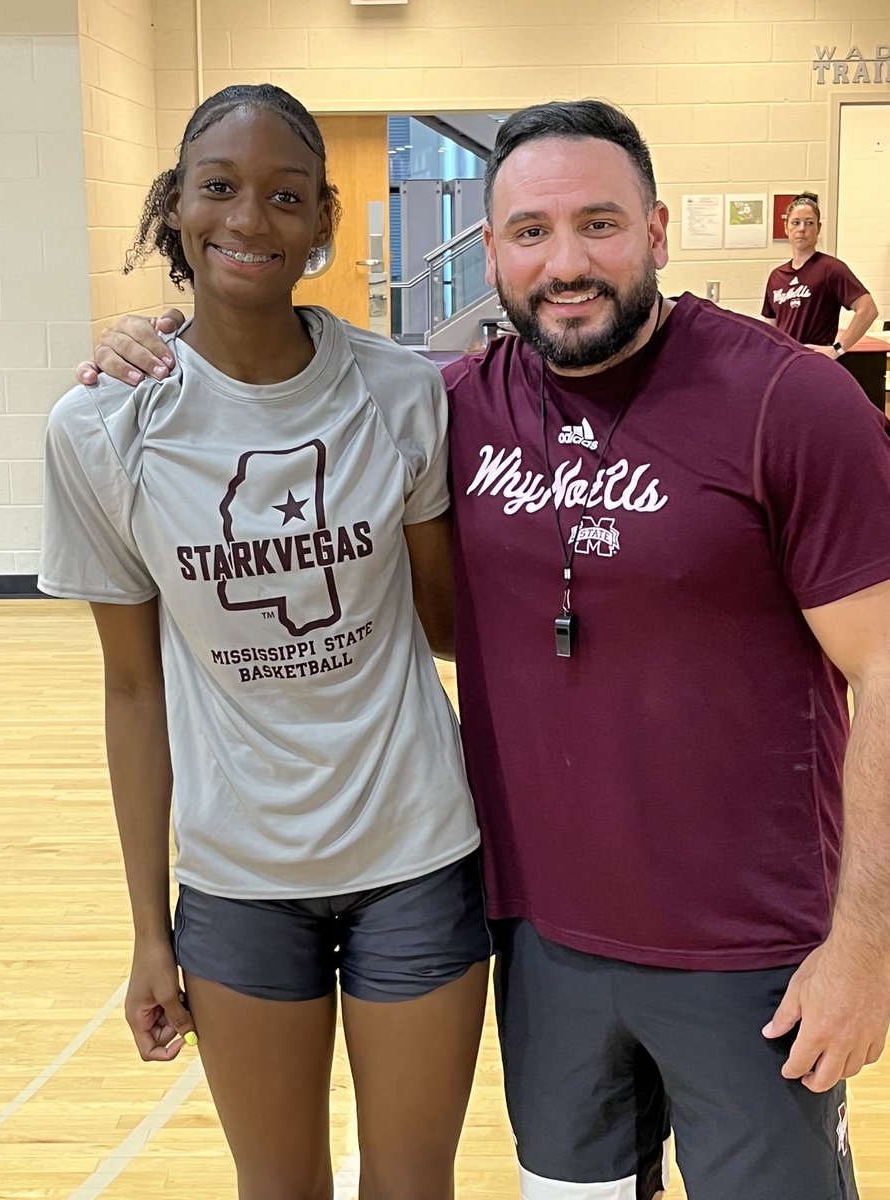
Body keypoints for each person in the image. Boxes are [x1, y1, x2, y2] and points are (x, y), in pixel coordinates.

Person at [78, 98, 890, 1200]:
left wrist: (866, 946)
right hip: (541, 944)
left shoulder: (789, 402)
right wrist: (156, 340)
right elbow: (286, 393)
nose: (566, 263)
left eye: (599, 224)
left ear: (656, 231)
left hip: (749, 954)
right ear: (492, 251)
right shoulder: (453, 403)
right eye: (530, 232)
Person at [41, 83, 491, 1200]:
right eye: (219, 188)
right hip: (239, 879)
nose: (249, 219)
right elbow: (133, 693)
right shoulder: (99, 427)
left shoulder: (402, 392)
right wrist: (149, 931)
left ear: (324, 219)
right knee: (278, 1186)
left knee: (412, 1185)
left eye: (286, 195)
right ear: (175, 206)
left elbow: (448, 627)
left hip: (416, 856)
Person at [762, 191, 879, 358]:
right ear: (786, 228)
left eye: (809, 223)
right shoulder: (776, 276)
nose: (802, 229)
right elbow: (770, 328)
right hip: (785, 364)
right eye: (796, 222)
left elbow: (868, 310)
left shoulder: (831, 269)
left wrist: (836, 349)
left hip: (815, 363)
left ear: (818, 228)